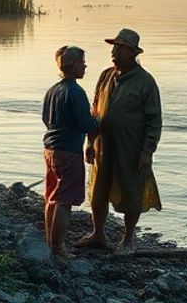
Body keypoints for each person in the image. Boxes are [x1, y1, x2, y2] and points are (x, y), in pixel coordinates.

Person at [79, 28, 162, 256]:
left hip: (131, 146)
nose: (113, 52)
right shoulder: (106, 75)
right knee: (99, 189)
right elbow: (94, 111)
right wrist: (90, 142)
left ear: (133, 53)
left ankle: (128, 238)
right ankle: (98, 234)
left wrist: (147, 150)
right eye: (113, 47)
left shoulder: (146, 82)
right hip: (103, 145)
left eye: (119, 48)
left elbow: (154, 120)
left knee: (132, 189)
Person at [42, 45, 99, 260]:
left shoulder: (52, 90)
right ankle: (58, 248)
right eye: (82, 61)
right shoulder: (75, 92)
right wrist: (100, 120)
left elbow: (46, 120)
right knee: (64, 200)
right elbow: (86, 124)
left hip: (50, 148)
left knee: (51, 197)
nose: (85, 65)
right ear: (73, 64)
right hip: (68, 150)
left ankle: (50, 243)